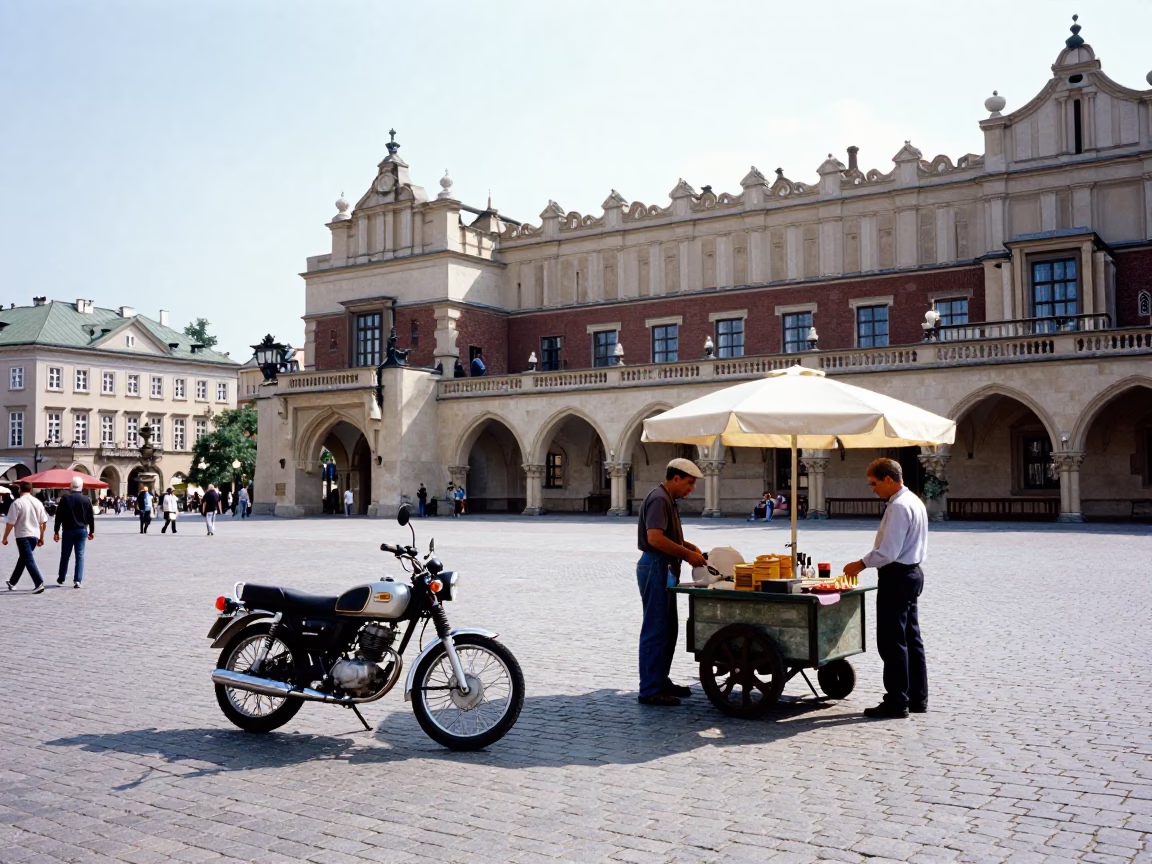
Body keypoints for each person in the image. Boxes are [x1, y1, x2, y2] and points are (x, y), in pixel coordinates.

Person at [843, 458, 929, 719]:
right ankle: (917, 697)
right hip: (912, 574)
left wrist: (861, 564)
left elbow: (888, 552)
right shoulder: (913, 500)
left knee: (892, 641)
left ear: (888, 479)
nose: (873, 489)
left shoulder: (900, 506)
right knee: (911, 638)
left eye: (874, 483)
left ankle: (896, 700)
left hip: (897, 576)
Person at [635, 458, 708, 706]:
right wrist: (687, 554)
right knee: (655, 629)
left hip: (663, 567)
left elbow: (668, 535)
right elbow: (655, 538)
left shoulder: (668, 500)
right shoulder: (659, 498)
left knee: (668, 629)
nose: (691, 489)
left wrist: (689, 546)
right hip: (656, 565)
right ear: (675, 478)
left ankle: (660, 679)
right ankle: (649, 689)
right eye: (689, 483)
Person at [4, 481, 48, 593]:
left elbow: (10, 522)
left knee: (27, 559)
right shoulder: (38, 502)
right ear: (30, 489)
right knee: (23, 558)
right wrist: (41, 537)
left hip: (22, 534)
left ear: (20, 490)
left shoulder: (17, 503)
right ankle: (12, 582)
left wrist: (5, 537)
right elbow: (43, 522)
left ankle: (39, 582)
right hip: (35, 535)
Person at [53, 476, 95, 587]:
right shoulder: (86, 500)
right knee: (80, 555)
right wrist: (92, 531)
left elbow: (59, 516)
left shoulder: (65, 499)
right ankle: (77, 580)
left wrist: (56, 531)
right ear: (82, 486)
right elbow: (91, 517)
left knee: (65, 555)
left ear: (71, 486)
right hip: (81, 530)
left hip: (68, 530)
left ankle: (61, 578)